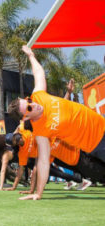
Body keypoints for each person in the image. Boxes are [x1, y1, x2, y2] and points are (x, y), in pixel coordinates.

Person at [8, 45, 105, 200]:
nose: (33, 104)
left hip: (101, 123)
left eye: (28, 100)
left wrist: (31, 55)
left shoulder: (39, 95)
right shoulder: (41, 133)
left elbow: (38, 73)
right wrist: (38, 193)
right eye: (29, 107)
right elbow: (43, 163)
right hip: (97, 144)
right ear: (25, 117)